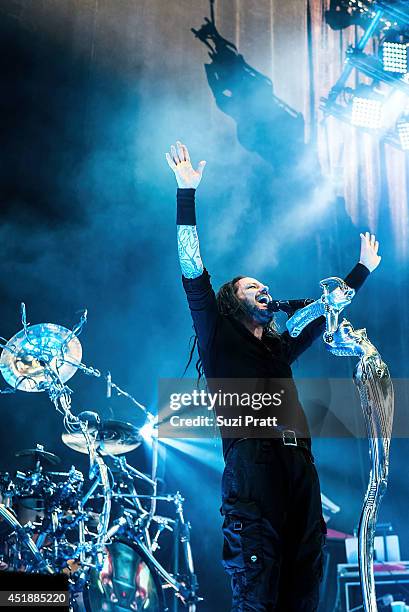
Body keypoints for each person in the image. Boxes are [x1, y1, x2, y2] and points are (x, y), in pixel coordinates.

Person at [166, 141, 381, 612]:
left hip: (299, 463)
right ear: (231, 300)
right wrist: (186, 193)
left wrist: (361, 271)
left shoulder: (279, 347)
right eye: (251, 286)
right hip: (253, 462)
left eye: (264, 286)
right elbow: (191, 271)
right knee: (259, 583)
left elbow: (323, 314)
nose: (263, 288)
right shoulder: (218, 336)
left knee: (305, 581)